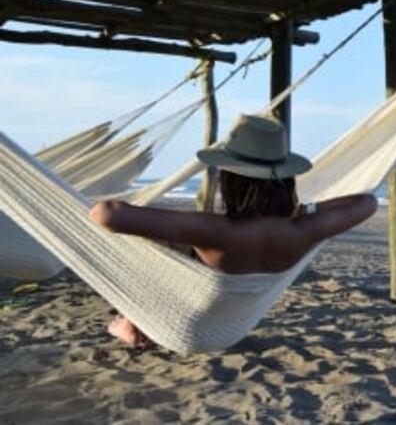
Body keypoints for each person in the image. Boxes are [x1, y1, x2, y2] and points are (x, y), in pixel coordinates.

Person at [89, 114, 377, 347]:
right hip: (230, 328)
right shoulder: (304, 229)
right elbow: (366, 203)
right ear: (287, 179)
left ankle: (129, 320)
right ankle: (133, 322)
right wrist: (304, 210)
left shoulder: (213, 230)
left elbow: (103, 214)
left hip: (184, 323)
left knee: (153, 249)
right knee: (172, 247)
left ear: (231, 181)